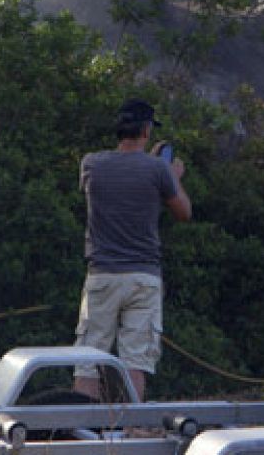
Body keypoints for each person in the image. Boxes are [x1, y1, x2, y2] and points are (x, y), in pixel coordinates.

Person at [74, 99, 192, 402]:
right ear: (146, 130)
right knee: (136, 361)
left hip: (101, 273)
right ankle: (130, 431)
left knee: (88, 358)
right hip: (143, 275)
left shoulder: (92, 163)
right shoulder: (158, 169)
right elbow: (184, 212)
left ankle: (78, 430)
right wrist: (173, 178)